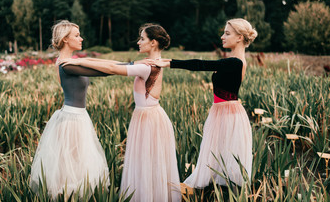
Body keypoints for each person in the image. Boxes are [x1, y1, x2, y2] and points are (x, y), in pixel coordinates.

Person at [60, 23, 181, 201]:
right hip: (148, 115)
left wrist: (78, 61)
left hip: (149, 118)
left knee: (147, 161)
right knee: (147, 162)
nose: (138, 42)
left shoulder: (148, 66)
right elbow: (109, 64)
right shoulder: (151, 63)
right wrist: (81, 60)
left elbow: (112, 69)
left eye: (142, 38)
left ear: (153, 43)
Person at [150, 18, 257, 189]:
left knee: (225, 153)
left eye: (227, 33)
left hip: (228, 114)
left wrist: (170, 63)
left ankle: (224, 191)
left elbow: (201, 64)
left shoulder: (235, 62)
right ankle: (217, 189)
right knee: (218, 152)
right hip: (223, 111)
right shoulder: (232, 61)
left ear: (239, 38)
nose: (222, 37)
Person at [30, 20, 110, 199]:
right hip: (73, 120)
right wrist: (133, 67)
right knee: (72, 167)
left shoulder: (68, 61)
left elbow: (102, 68)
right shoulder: (67, 65)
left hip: (77, 116)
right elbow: (104, 71)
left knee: (76, 165)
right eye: (76, 35)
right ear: (65, 39)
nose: (81, 38)